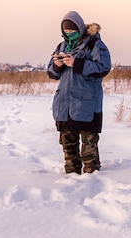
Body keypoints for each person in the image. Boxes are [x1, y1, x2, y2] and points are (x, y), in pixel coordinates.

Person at [47, 10, 112, 174]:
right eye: (66, 32)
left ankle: (93, 182)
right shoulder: (61, 46)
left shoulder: (95, 44)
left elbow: (104, 68)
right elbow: (51, 73)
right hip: (65, 105)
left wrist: (77, 63)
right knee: (69, 151)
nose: (70, 35)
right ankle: (70, 180)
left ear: (80, 28)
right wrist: (58, 65)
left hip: (87, 104)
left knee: (89, 153)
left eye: (73, 31)